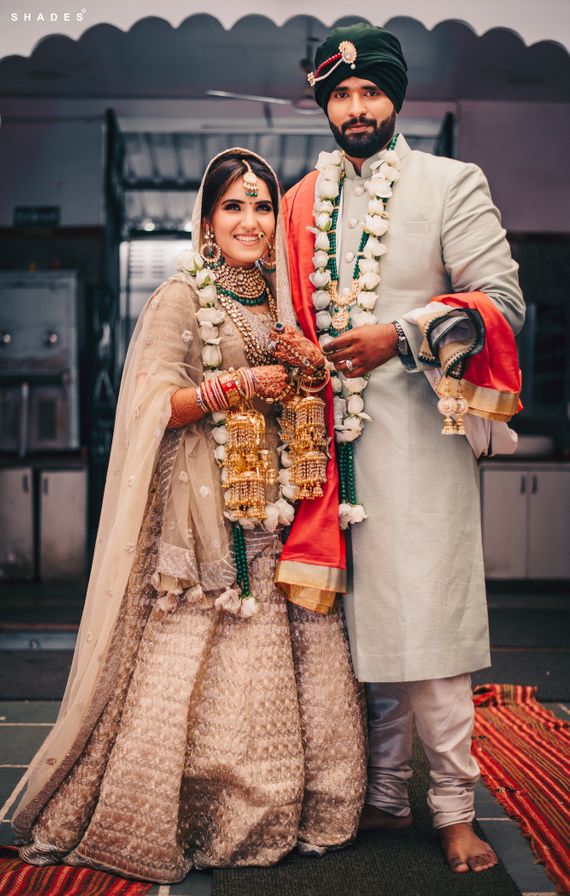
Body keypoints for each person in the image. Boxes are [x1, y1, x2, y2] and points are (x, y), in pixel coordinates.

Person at [11, 149, 366, 883]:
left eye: (263, 205)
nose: (250, 220)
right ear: (207, 221)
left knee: (281, 652)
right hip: (203, 514)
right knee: (209, 656)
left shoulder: (283, 298)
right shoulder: (181, 296)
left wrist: (307, 365)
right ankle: (200, 808)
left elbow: (308, 395)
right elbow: (151, 403)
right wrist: (231, 386)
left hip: (277, 507)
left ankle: (288, 809)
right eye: (233, 206)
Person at [282, 24, 525, 874]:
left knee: (430, 627)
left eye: (369, 92)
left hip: (422, 442)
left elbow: (501, 301)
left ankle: (456, 810)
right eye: (340, 95)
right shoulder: (302, 198)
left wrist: (403, 334)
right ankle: (383, 798)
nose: (356, 108)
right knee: (358, 635)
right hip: (326, 456)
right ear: (326, 106)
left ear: (396, 97)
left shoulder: (451, 182)